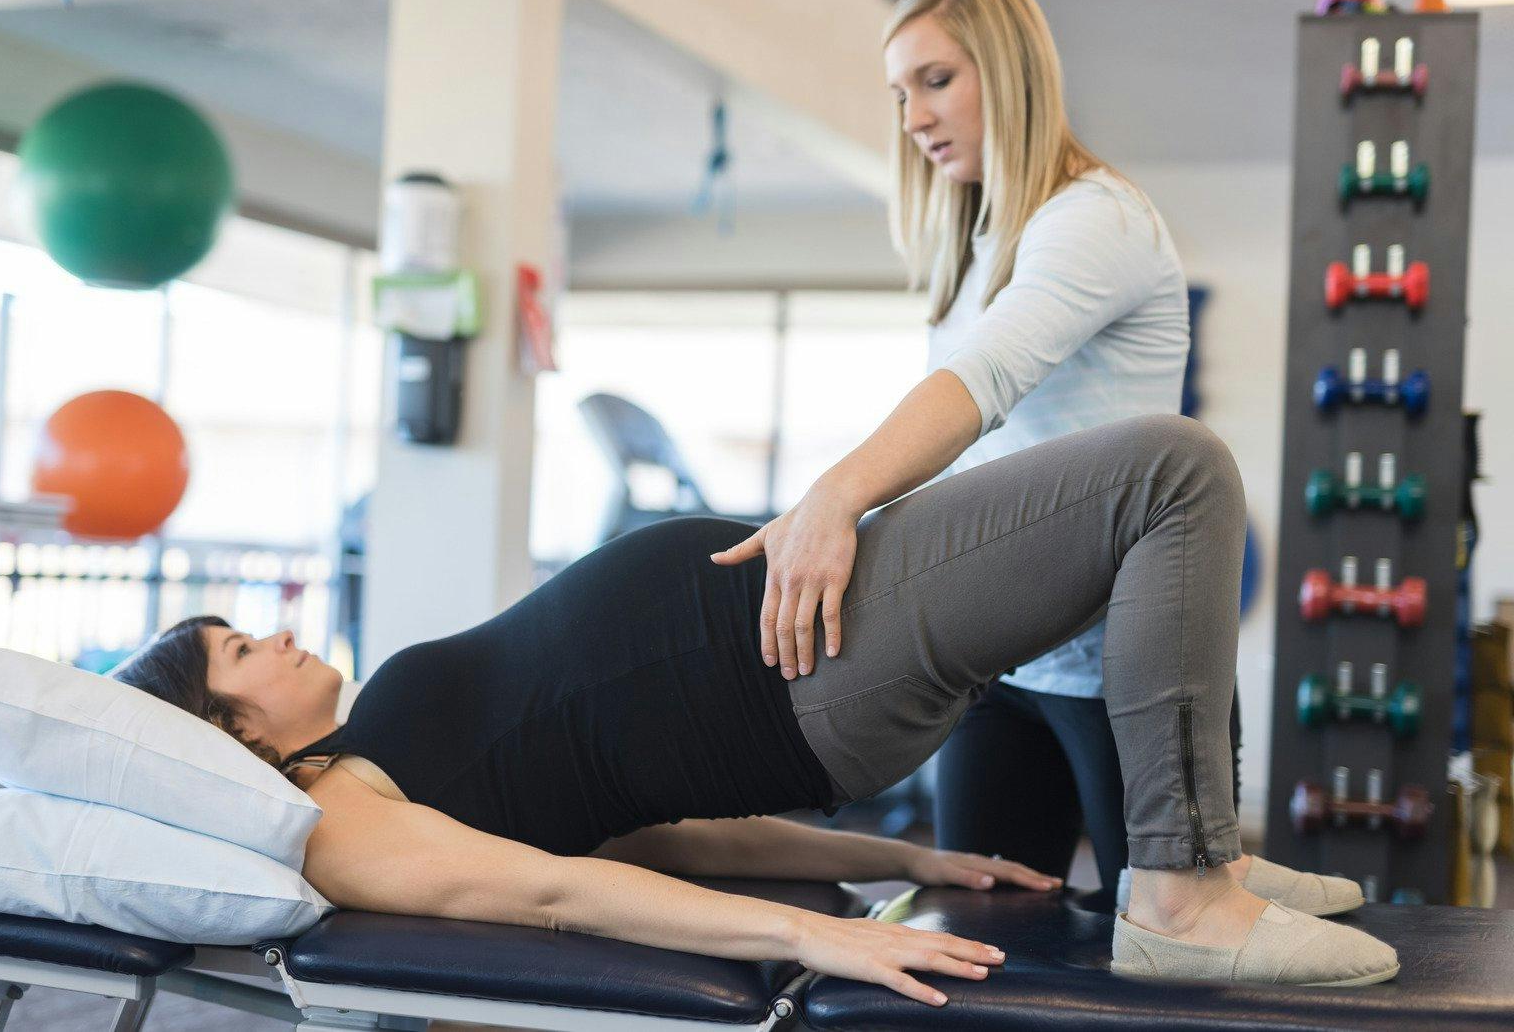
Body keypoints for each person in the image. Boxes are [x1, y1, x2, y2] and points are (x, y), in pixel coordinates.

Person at [117, 416, 1399, 1001]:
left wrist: (894, 857)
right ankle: (1180, 893)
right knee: (1170, 475)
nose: (277, 633)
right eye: (242, 647)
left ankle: (1201, 860)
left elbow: (652, 839)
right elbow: (565, 897)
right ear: (235, 732)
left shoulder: (373, 758)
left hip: (801, 666)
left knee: (1145, 514)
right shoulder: (338, 818)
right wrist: (815, 939)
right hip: (802, 671)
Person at [706, 0, 1279, 916]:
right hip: (1003, 664)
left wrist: (832, 499)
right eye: (899, 94)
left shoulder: (1096, 218)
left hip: (1120, 669)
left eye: (936, 80)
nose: (913, 116)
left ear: (1007, 70)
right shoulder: (975, 248)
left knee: (1164, 949)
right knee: (981, 930)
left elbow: (987, 381)